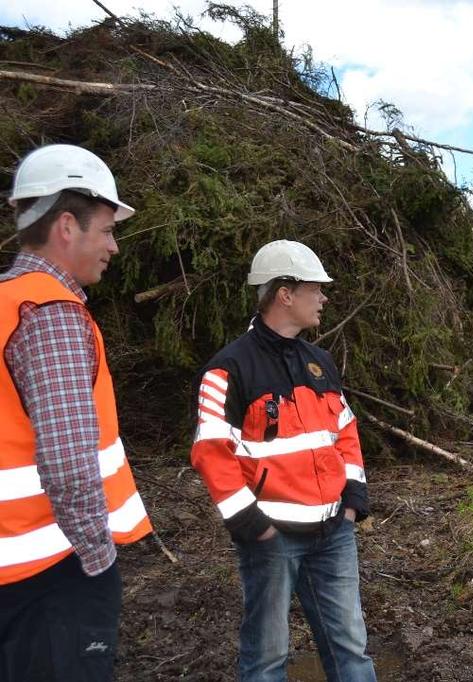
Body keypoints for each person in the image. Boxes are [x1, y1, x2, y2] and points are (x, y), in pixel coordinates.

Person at [190, 240, 375, 682]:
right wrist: (254, 527)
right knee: (267, 658)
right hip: (271, 539)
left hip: (333, 533)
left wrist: (351, 501)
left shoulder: (320, 362)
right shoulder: (229, 369)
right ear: (285, 294)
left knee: (352, 649)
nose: (324, 298)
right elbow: (211, 453)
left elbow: (344, 433)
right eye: (316, 288)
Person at [0, 144, 153, 681]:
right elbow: (68, 461)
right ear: (67, 225)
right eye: (107, 229)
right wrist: (97, 561)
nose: (113, 246)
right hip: (51, 576)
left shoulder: (7, 303)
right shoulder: (50, 314)